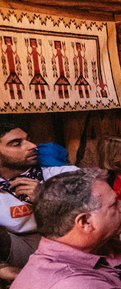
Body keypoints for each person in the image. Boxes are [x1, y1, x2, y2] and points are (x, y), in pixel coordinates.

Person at [0, 119, 77, 279]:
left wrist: (46, 198)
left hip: (63, 242)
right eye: (16, 143)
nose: (32, 146)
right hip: (18, 248)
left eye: (28, 139)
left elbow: (98, 209)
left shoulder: (58, 173)